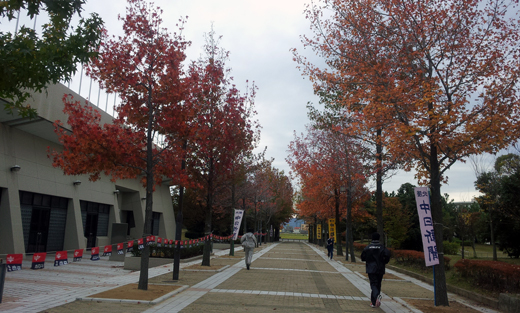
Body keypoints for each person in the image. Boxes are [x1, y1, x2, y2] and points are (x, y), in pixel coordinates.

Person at [361, 232, 391, 308]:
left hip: (371, 268)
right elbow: (387, 255)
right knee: (378, 284)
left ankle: (377, 296)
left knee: (373, 284)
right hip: (380, 268)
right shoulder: (382, 247)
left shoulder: (368, 247)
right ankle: (374, 302)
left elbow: (363, 257)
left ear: (372, 238)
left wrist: (368, 260)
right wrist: (384, 261)